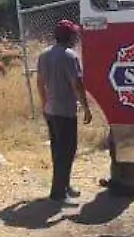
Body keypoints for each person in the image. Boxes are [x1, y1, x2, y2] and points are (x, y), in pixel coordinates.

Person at [34, 20, 92, 203]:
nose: (76, 37)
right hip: (65, 111)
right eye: (74, 34)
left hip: (51, 110)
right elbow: (77, 85)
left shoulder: (44, 55)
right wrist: (86, 108)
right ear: (70, 36)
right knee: (67, 151)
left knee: (57, 150)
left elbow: (39, 82)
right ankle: (58, 193)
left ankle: (64, 185)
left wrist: (44, 104)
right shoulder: (70, 56)